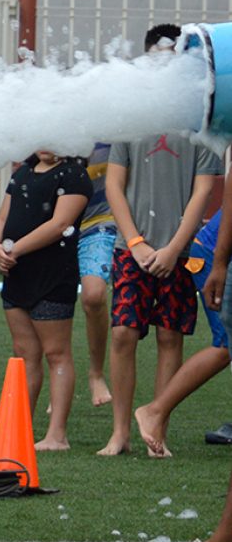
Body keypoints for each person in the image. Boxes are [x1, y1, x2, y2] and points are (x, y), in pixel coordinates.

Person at [99, 25, 222, 457]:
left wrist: (173, 249)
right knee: (123, 334)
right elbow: (115, 186)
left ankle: (158, 428)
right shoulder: (133, 120)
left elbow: (203, 191)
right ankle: (120, 433)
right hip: (130, 249)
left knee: (171, 336)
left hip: (180, 252)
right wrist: (135, 242)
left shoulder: (200, 124)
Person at [0, 151, 91, 452]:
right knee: (23, 354)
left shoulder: (73, 175)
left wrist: (13, 249)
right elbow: (3, 217)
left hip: (52, 274)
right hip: (17, 274)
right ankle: (15, 427)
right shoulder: (23, 172)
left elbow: (60, 224)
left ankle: (57, 434)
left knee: (56, 353)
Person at [135, 209, 231, 457]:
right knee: (224, 345)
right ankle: (154, 411)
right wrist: (220, 265)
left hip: (219, 252)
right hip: (215, 252)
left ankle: (155, 412)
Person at [76, 141, 117, 408]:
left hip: (99, 222)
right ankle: (60, 379)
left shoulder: (114, 128)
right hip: (52, 222)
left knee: (93, 295)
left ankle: (96, 373)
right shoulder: (49, 123)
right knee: (48, 305)